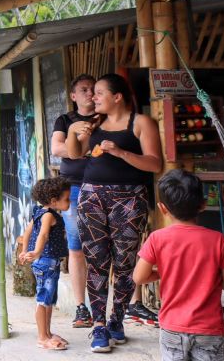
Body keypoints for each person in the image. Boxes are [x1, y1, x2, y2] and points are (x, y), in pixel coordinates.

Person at [65, 73, 162, 353]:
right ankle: (98, 326)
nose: (92, 98)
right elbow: (74, 154)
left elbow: (154, 164)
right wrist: (74, 133)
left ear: (117, 97)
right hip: (92, 196)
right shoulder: (93, 124)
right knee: (96, 262)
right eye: (92, 93)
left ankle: (116, 321)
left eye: (98, 93)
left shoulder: (140, 123)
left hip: (130, 198)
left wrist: (120, 153)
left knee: (124, 263)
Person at [134, 170, 224, 361]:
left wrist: (161, 273)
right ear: (203, 205)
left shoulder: (157, 239)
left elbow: (139, 277)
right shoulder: (219, 241)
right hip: (209, 329)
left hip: (172, 327)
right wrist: (208, 276)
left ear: (162, 208)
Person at [50, 73, 96, 328]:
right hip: (75, 188)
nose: (90, 93)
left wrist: (76, 150)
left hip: (104, 185)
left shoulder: (107, 117)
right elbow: (57, 149)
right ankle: (81, 306)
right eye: (84, 89)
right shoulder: (65, 120)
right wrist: (83, 150)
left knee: (107, 246)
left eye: (93, 89)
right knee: (76, 247)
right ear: (73, 95)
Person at [19, 176, 72, 351]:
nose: (69, 202)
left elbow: (27, 232)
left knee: (48, 300)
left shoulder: (39, 212)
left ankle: (47, 333)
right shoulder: (49, 215)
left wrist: (25, 250)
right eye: (66, 199)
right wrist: (36, 252)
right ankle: (42, 337)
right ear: (53, 201)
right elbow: (42, 235)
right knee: (43, 301)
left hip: (48, 262)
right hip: (46, 262)